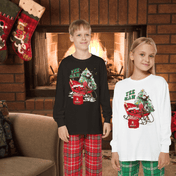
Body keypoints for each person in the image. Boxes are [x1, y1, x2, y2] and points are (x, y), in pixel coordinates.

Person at [53, 19, 112, 176]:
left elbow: (104, 94)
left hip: (93, 126)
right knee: (72, 169)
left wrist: (107, 119)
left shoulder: (99, 63)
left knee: (95, 169)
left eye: (87, 34)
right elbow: (59, 96)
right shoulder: (65, 64)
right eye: (79, 34)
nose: (83, 38)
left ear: (91, 36)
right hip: (71, 127)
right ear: (71, 37)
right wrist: (60, 123)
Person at [110, 37, 171, 176]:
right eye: (142, 54)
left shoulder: (160, 83)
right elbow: (118, 120)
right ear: (132, 55)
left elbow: (165, 117)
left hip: (153, 149)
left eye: (151, 56)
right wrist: (115, 149)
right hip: (126, 149)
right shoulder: (120, 86)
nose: (147, 59)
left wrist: (165, 148)